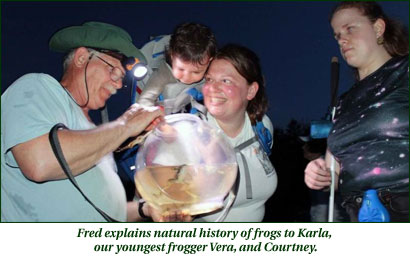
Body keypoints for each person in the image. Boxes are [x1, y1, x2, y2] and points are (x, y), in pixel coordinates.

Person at [1, 21, 190, 222]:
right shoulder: (37, 87)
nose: (118, 84)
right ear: (82, 57)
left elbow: (106, 210)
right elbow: (39, 162)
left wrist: (146, 209)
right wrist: (125, 125)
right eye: (114, 71)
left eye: (122, 78)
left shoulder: (96, 135)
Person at [304, 2, 409, 222]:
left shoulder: (405, 71)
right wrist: (321, 174)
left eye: (350, 28)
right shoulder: (343, 102)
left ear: (378, 28)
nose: (341, 39)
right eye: (337, 35)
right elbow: (335, 172)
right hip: (357, 216)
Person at [195, 44, 278, 222]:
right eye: (209, 80)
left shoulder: (262, 127)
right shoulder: (191, 135)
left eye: (226, 80)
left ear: (251, 90)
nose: (212, 88)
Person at [136, 22, 217, 115]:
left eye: (196, 72)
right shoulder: (163, 74)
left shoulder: (211, 74)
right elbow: (145, 99)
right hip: (163, 115)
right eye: (181, 69)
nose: (187, 77)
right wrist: (147, 119)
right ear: (172, 56)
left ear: (209, 62)